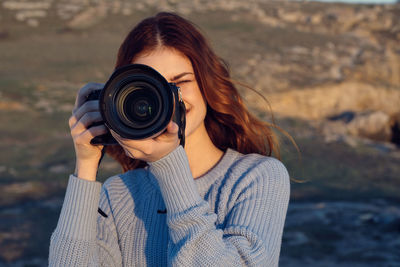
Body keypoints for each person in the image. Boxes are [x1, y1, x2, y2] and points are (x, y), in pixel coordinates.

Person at [49, 12, 290, 267]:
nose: (169, 99)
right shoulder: (118, 194)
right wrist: (86, 166)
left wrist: (169, 164)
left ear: (206, 85)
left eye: (180, 82)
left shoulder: (256, 177)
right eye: (151, 89)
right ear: (123, 98)